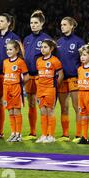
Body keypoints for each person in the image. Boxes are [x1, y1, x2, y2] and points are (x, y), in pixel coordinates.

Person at [22, 10, 52, 140]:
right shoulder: (27, 39)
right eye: (31, 23)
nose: (33, 25)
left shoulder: (46, 39)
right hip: (29, 76)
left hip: (41, 77)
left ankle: (47, 133)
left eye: (36, 23)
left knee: (44, 106)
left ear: (41, 24)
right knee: (31, 104)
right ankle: (32, 132)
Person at [0, 13, 22, 140]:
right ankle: (0, 131)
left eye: (2, 21)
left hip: (10, 76)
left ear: (9, 23)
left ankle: (16, 133)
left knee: (13, 106)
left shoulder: (14, 37)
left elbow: (22, 54)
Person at [56, 17, 85, 142]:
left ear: (72, 26)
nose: (62, 26)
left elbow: (84, 59)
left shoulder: (79, 42)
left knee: (77, 106)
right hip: (62, 79)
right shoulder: (59, 42)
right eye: (61, 24)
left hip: (74, 78)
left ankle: (79, 135)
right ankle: (65, 134)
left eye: (65, 24)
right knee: (64, 107)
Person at [35, 40, 63, 143]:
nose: (42, 49)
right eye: (41, 47)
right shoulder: (38, 60)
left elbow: (61, 75)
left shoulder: (55, 60)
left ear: (51, 49)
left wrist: (55, 86)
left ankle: (51, 135)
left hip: (50, 89)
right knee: (42, 111)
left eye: (45, 47)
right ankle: (43, 135)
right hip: (40, 89)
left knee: (50, 111)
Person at [2, 40, 29, 142]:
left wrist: (20, 84)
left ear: (17, 50)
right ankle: (13, 133)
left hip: (16, 88)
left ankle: (18, 134)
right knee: (10, 111)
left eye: (10, 49)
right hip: (6, 89)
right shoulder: (5, 62)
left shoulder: (20, 62)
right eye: (7, 49)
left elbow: (27, 76)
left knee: (16, 110)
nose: (8, 51)